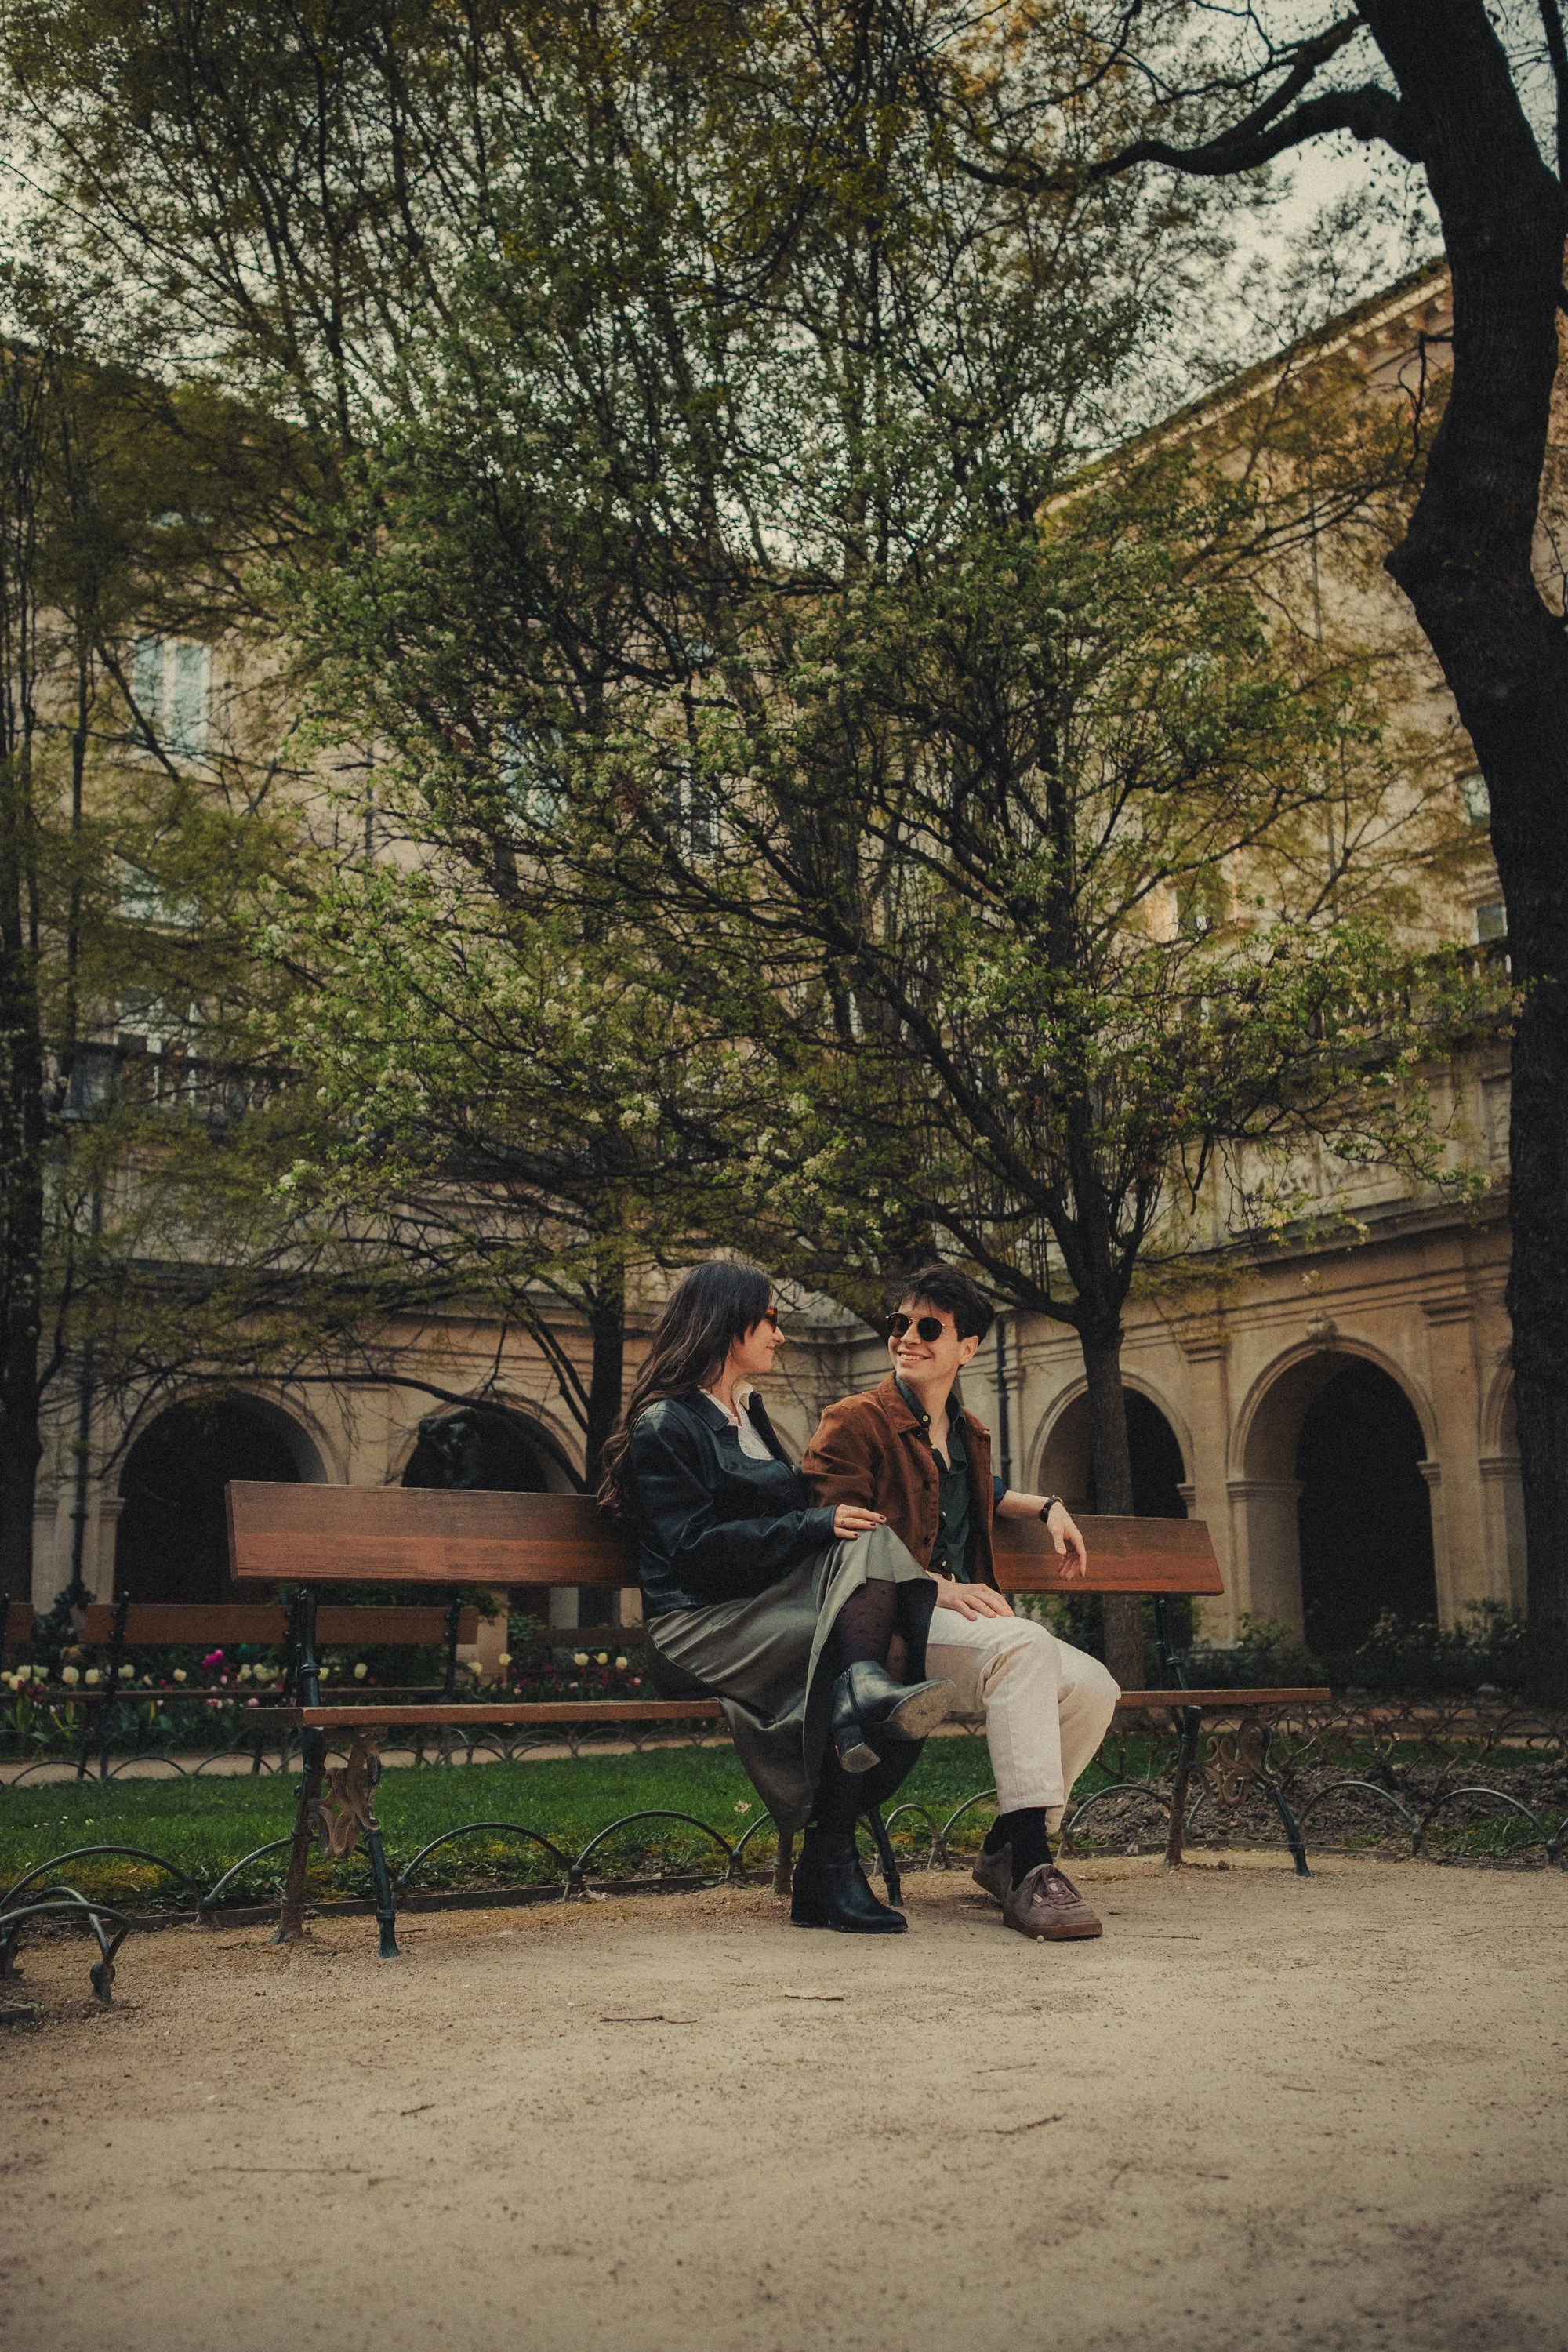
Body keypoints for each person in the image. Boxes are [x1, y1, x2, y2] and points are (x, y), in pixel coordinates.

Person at [598, 1261, 955, 1936]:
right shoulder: (665, 1425)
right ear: (727, 1324)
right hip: (697, 1627)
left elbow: (807, 1507)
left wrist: (833, 1519)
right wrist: (814, 1523)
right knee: (858, 1656)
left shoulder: (749, 1412)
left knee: (879, 1592)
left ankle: (834, 1831)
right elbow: (694, 1553)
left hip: (762, 1609)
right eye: (769, 1319)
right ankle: (832, 1863)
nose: (780, 1334)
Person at [801, 1264, 1120, 1941]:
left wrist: (1049, 1506)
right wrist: (939, 1585)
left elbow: (982, 1490)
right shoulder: (853, 1421)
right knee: (1026, 1646)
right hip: (894, 1628)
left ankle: (1007, 1844)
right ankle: (1035, 1867)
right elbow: (839, 1532)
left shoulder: (965, 1431)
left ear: (966, 1347)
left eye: (928, 1328)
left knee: (1095, 1687)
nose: (907, 1338)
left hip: (960, 1626)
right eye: (900, 1324)